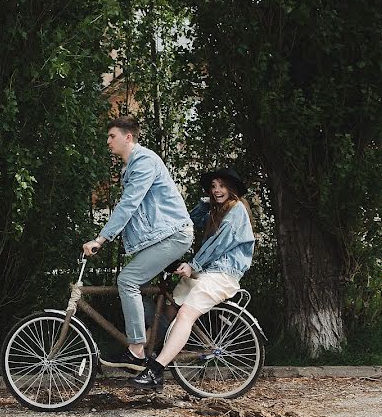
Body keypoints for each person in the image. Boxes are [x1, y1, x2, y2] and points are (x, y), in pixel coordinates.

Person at [82, 116, 194, 372]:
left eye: (112, 136)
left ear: (128, 137)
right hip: (162, 237)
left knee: (127, 281)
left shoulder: (144, 161)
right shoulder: (131, 165)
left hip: (172, 235)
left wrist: (101, 239)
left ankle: (136, 350)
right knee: (137, 287)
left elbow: (129, 204)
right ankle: (160, 339)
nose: (108, 141)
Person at [130, 167, 255, 389]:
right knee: (169, 309)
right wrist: (205, 202)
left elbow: (218, 246)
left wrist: (193, 265)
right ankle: (144, 355)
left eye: (222, 186)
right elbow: (190, 221)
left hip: (223, 274)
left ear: (232, 189)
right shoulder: (216, 211)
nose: (217, 190)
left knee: (186, 314)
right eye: (213, 187)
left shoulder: (236, 211)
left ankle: (156, 370)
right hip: (207, 271)